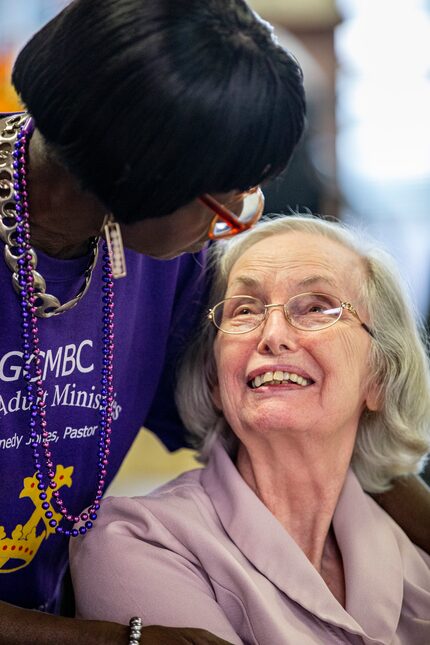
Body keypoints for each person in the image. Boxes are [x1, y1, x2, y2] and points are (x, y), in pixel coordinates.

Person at [0, 0, 307, 642]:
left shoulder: (164, 266)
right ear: (140, 176)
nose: (229, 220)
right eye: (221, 200)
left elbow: (263, 434)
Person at [71, 215, 430, 644]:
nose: (273, 335)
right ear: (215, 381)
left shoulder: (415, 551)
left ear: (379, 377)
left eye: (316, 307)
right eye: (245, 310)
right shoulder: (137, 541)